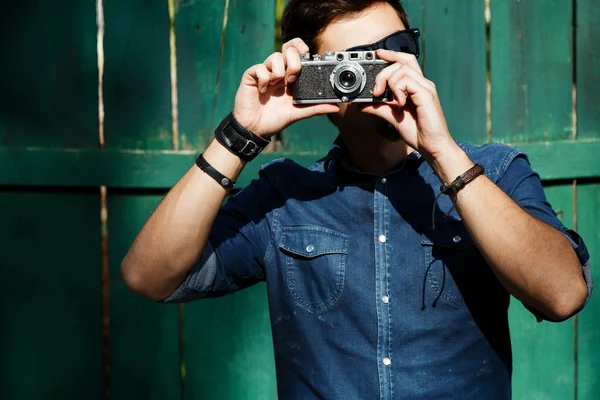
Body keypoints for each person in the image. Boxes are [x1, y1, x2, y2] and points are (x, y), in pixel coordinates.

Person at [121, 0, 592, 398]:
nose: (384, 71)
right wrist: (240, 135)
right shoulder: (284, 197)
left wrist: (442, 153)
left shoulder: (496, 172)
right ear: (314, 80)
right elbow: (149, 276)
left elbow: (564, 295)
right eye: (356, 63)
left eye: (399, 49)